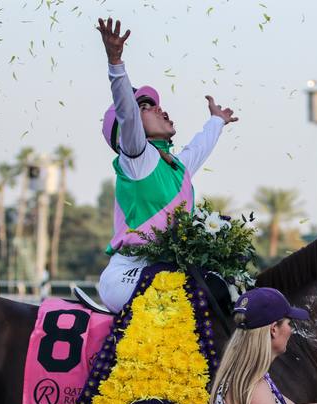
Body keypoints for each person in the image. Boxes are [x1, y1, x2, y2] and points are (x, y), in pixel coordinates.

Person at [95, 18, 238, 313]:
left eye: (154, 104)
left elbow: (199, 147)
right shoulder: (137, 158)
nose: (160, 108)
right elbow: (127, 113)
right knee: (188, 295)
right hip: (126, 276)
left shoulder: (175, 166)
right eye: (145, 107)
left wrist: (216, 121)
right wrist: (116, 63)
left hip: (162, 271)